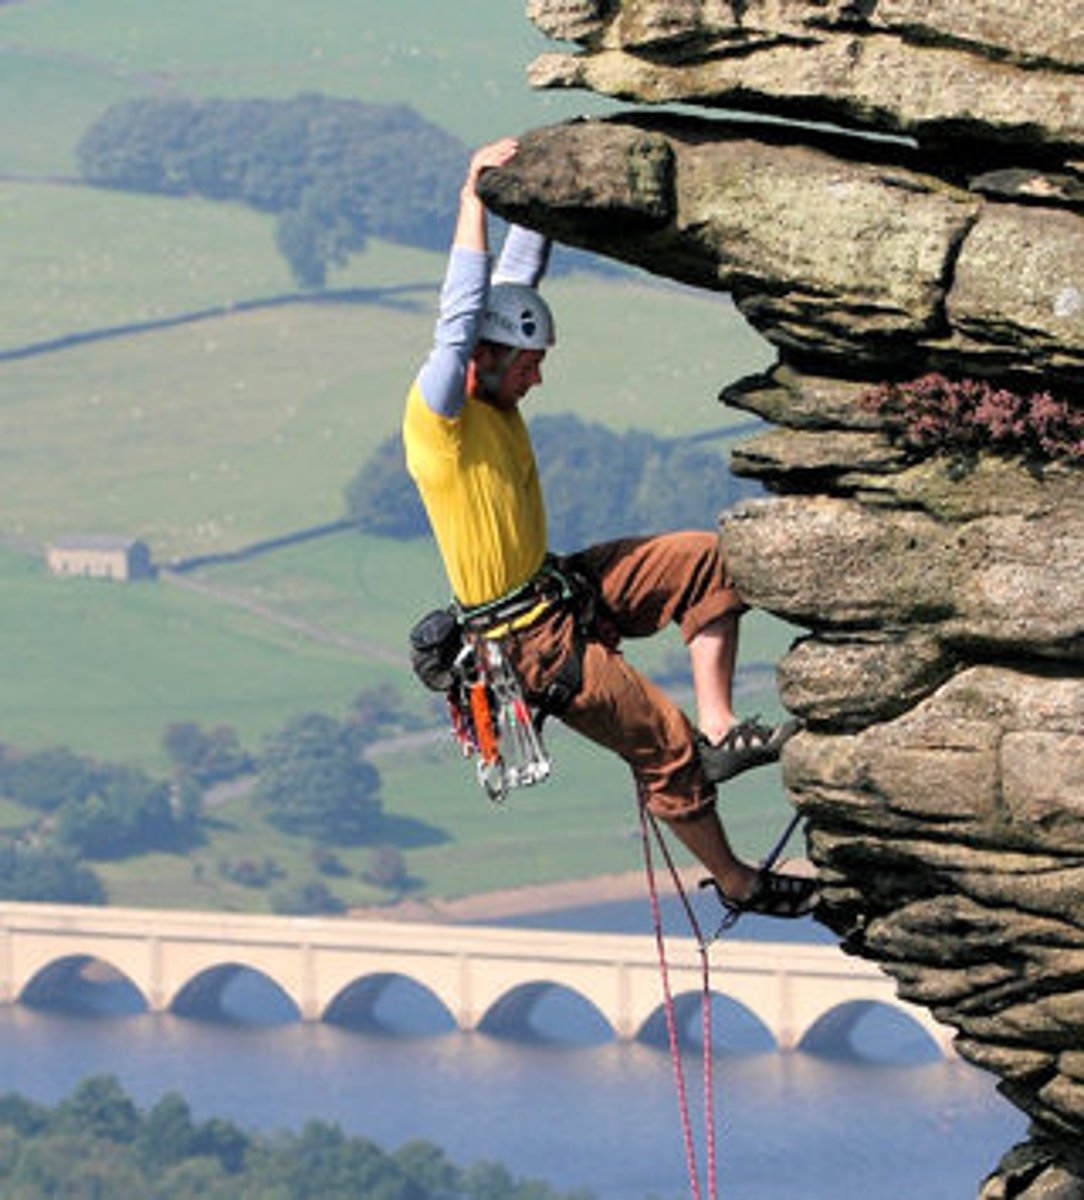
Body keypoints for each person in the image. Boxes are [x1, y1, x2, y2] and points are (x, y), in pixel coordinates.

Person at [402, 137, 816, 919]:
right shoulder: (441, 422)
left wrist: (537, 196)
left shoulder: (496, 395)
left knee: (706, 562)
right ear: (486, 359)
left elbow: (513, 284)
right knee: (662, 741)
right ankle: (736, 880)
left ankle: (723, 725)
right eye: (527, 361)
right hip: (526, 643)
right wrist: (472, 202)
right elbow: (460, 318)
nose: (539, 374)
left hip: (562, 585)